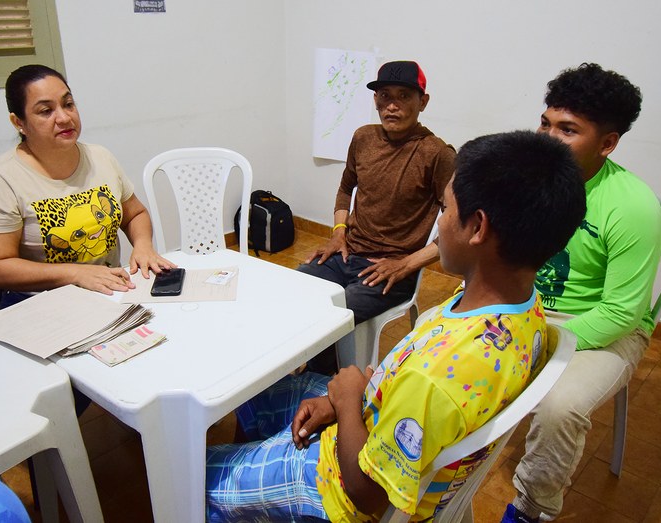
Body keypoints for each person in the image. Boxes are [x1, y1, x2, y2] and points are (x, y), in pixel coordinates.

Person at [205, 130, 586, 522]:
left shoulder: (431, 380)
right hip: (377, 418)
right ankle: (265, 471)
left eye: (446, 210)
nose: (439, 222)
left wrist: (348, 400)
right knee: (255, 393)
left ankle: (252, 486)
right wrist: (352, 397)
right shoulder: (525, 309)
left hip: (338, 487)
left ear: (477, 228)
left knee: (201, 476)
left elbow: (368, 495)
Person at [502, 64, 661, 523]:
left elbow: (622, 312)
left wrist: (536, 341)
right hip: (530, 308)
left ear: (608, 143)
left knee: (559, 407)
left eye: (568, 130)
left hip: (607, 327)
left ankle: (532, 511)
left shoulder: (632, 205)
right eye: (546, 124)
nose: (548, 139)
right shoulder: (531, 181)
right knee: (443, 344)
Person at [0, 64, 175, 309]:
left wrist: (143, 246)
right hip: (38, 303)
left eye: (68, 104)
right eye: (46, 111)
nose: (65, 117)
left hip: (108, 292)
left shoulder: (100, 157)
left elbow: (135, 214)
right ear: (19, 122)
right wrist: (75, 274)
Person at [298, 60, 456, 373]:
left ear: (422, 102)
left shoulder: (436, 153)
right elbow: (346, 188)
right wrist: (338, 232)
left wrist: (408, 263)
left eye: (404, 97)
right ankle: (303, 376)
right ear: (375, 100)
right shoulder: (363, 137)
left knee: (337, 313)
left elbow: (456, 222)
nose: (392, 106)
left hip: (390, 268)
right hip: (347, 253)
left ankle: (327, 387)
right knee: (298, 290)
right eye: (384, 96)